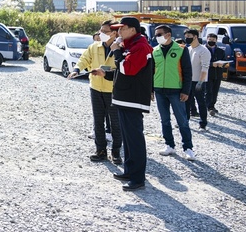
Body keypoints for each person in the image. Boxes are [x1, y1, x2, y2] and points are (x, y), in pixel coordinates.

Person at [92, 16, 153, 191]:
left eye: (121, 29)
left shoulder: (140, 46)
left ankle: (137, 178)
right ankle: (129, 171)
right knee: (128, 138)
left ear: (133, 30)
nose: (118, 32)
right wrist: (106, 74)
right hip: (124, 98)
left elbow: (128, 69)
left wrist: (117, 51)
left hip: (133, 100)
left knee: (134, 140)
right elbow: (122, 71)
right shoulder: (130, 45)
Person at [69, 21, 122, 165]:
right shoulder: (94, 47)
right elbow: (84, 59)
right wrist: (76, 70)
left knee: (115, 123)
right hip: (96, 88)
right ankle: (100, 151)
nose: (100, 33)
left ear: (114, 33)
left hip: (112, 90)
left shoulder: (120, 49)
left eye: (104, 31)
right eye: (100, 30)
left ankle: (116, 152)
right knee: (98, 121)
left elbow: (121, 68)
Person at [152, 25, 196, 161]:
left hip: (176, 91)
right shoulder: (155, 51)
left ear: (168, 34)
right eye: (155, 35)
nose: (156, 37)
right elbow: (151, 71)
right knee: (165, 120)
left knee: (182, 120)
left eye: (159, 34)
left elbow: (188, 72)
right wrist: (151, 90)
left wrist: (185, 91)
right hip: (159, 90)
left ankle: (188, 148)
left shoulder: (181, 50)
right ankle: (169, 144)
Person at [184, 29, 211, 131]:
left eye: (189, 36)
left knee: (201, 102)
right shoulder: (188, 49)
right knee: (186, 102)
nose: (187, 38)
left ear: (195, 36)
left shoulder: (203, 51)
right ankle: (185, 121)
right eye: (186, 36)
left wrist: (200, 82)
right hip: (188, 81)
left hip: (199, 81)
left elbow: (205, 68)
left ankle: (203, 124)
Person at [205, 33, 227, 115]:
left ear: (216, 40)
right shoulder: (203, 50)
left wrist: (223, 64)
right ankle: (208, 106)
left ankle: (212, 105)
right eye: (210, 40)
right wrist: (211, 64)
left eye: (213, 40)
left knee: (215, 91)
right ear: (207, 40)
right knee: (208, 91)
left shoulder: (220, 51)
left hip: (218, 73)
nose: (211, 42)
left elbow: (224, 60)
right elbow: (200, 62)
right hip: (207, 73)